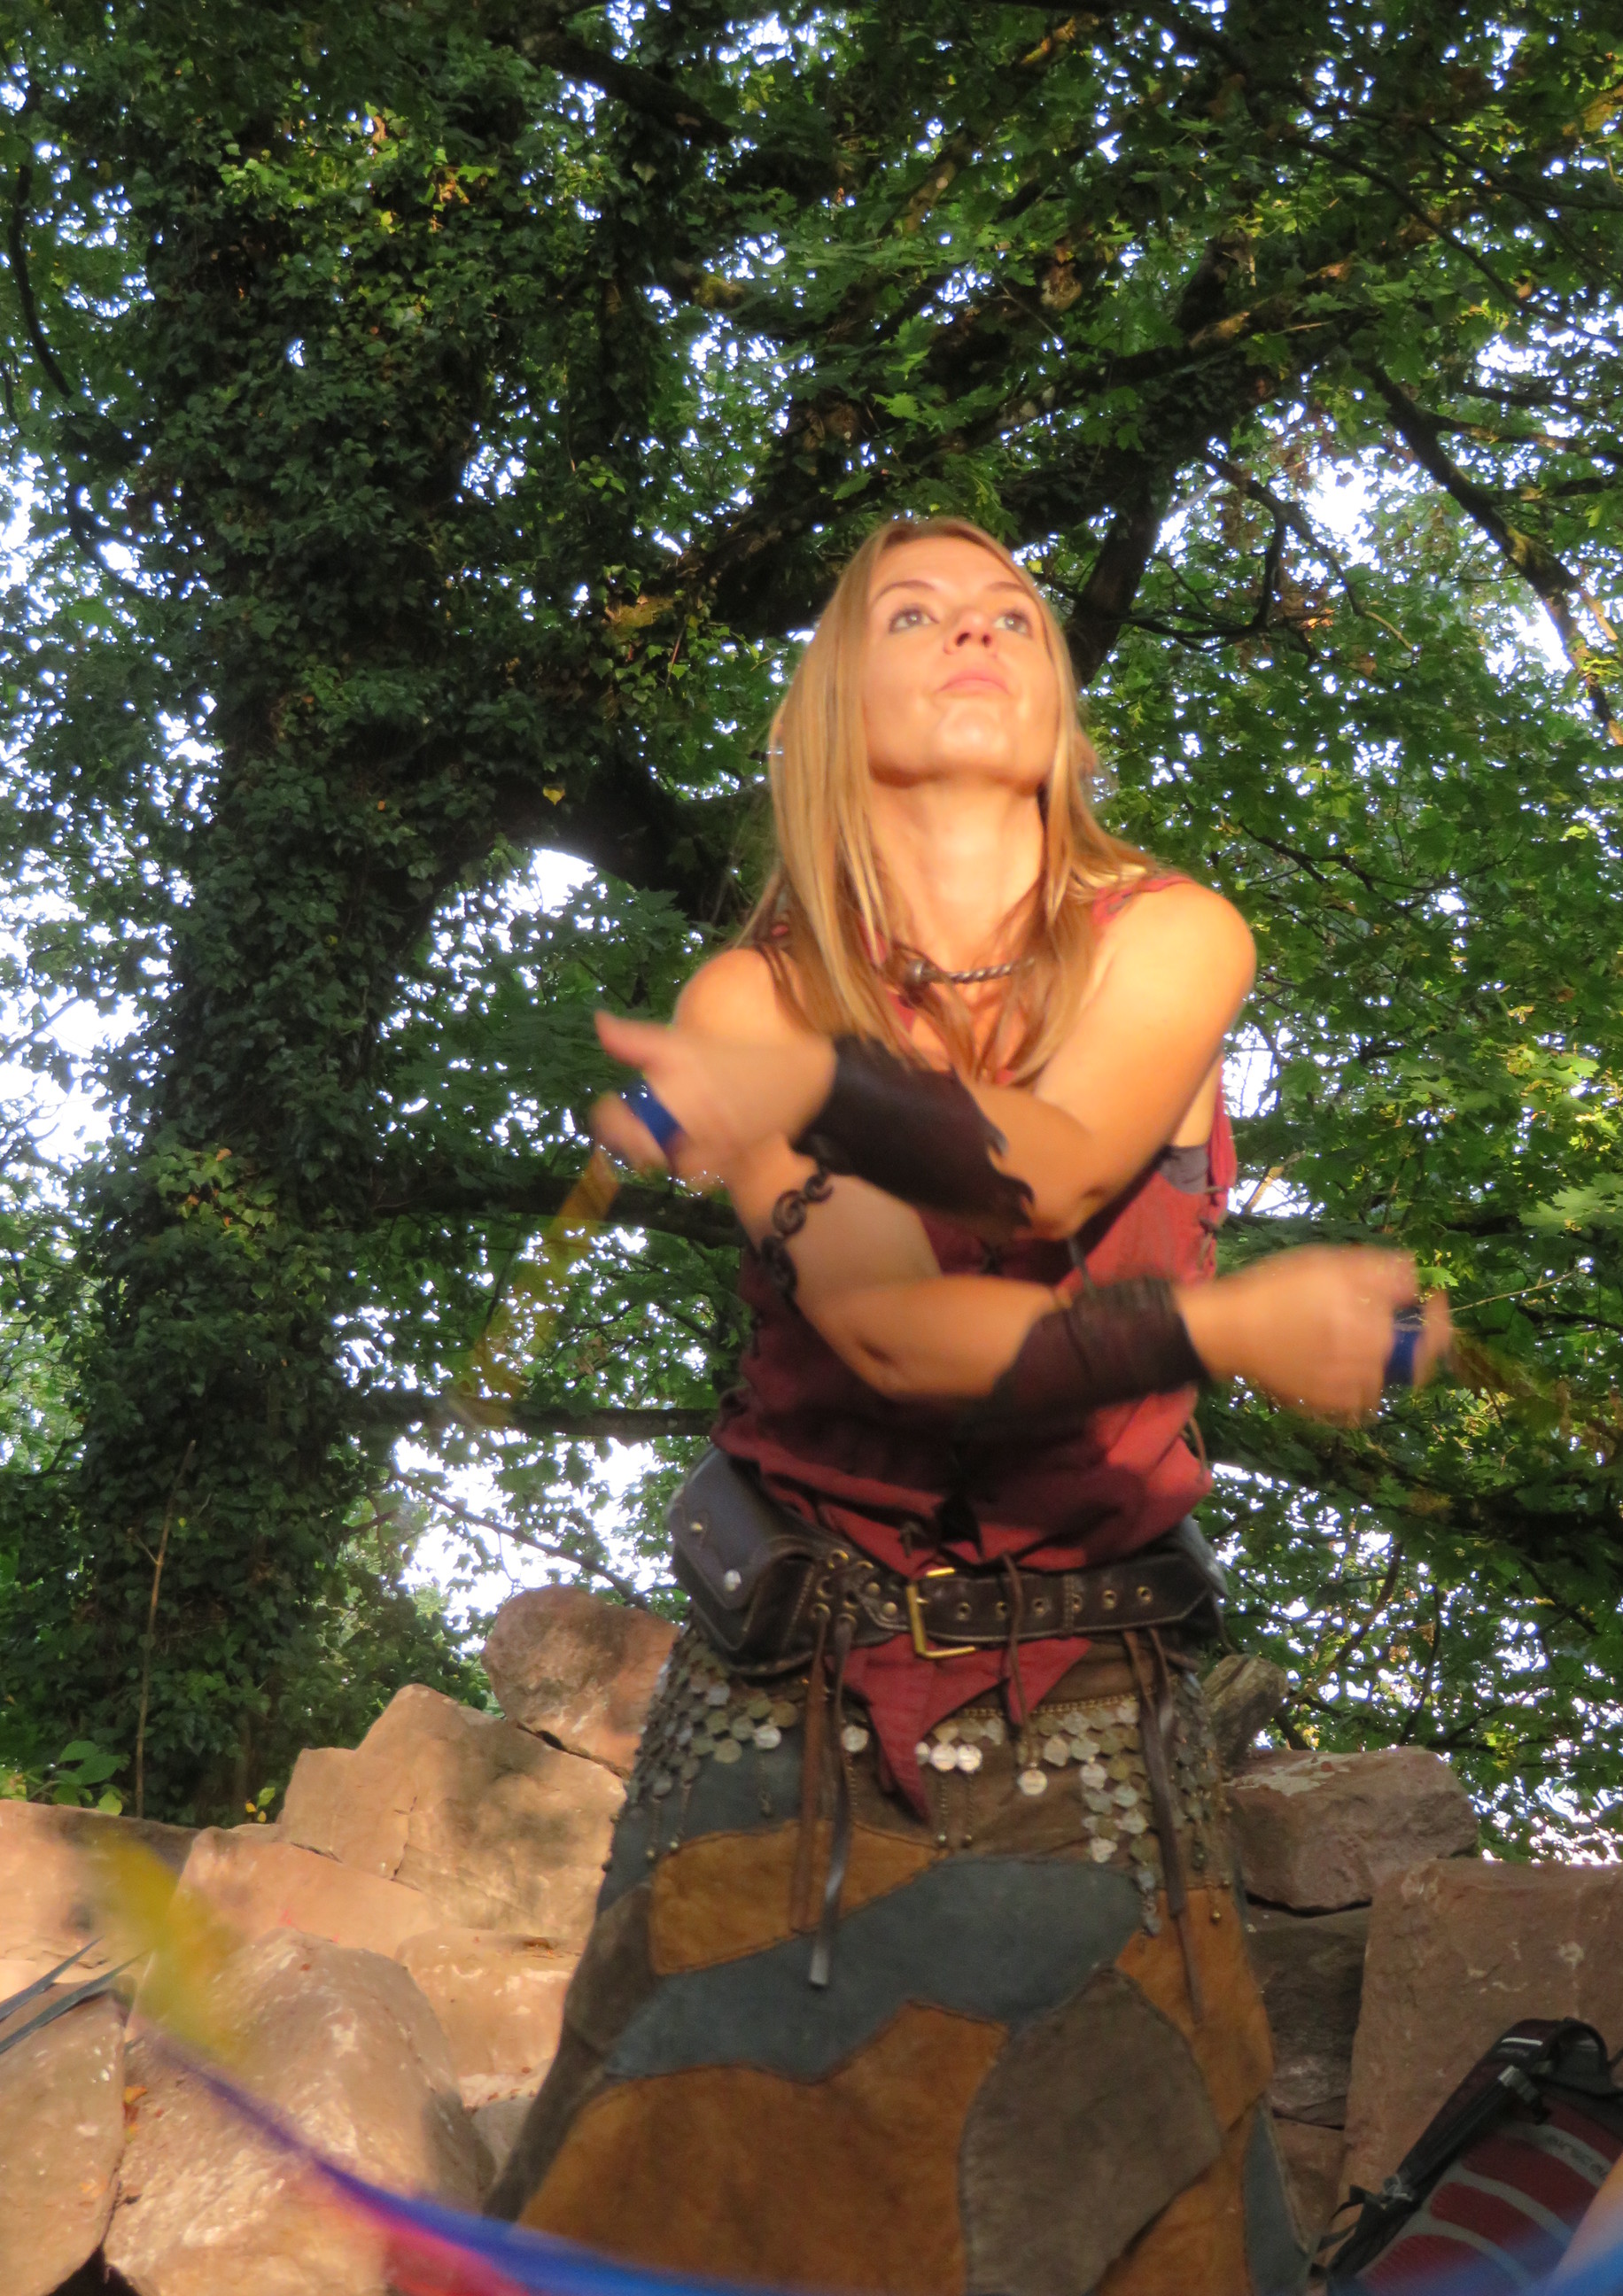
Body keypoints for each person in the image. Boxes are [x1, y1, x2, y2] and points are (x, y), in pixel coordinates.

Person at [486, 517, 1448, 2296]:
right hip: (783, 1730)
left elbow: (1056, 1160)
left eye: (1014, 612)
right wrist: (1227, 1325)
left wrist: (806, 1087)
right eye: (914, 614)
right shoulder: (752, 991)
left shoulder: (1173, 933)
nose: (979, 632)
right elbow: (897, 1334)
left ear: (1059, 698)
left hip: (1094, 1725)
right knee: (668, 2216)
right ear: (828, 707)